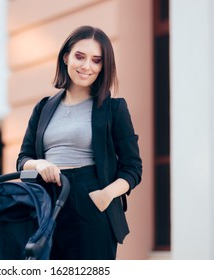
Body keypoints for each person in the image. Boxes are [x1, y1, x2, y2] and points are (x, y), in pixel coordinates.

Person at [16, 25, 142, 260]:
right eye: (80, 57)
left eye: (96, 60)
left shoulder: (114, 109)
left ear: (104, 66)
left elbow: (133, 168)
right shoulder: (43, 108)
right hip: (46, 202)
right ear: (66, 57)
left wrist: (105, 196)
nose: (86, 66)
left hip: (92, 200)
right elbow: (22, 159)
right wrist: (39, 164)